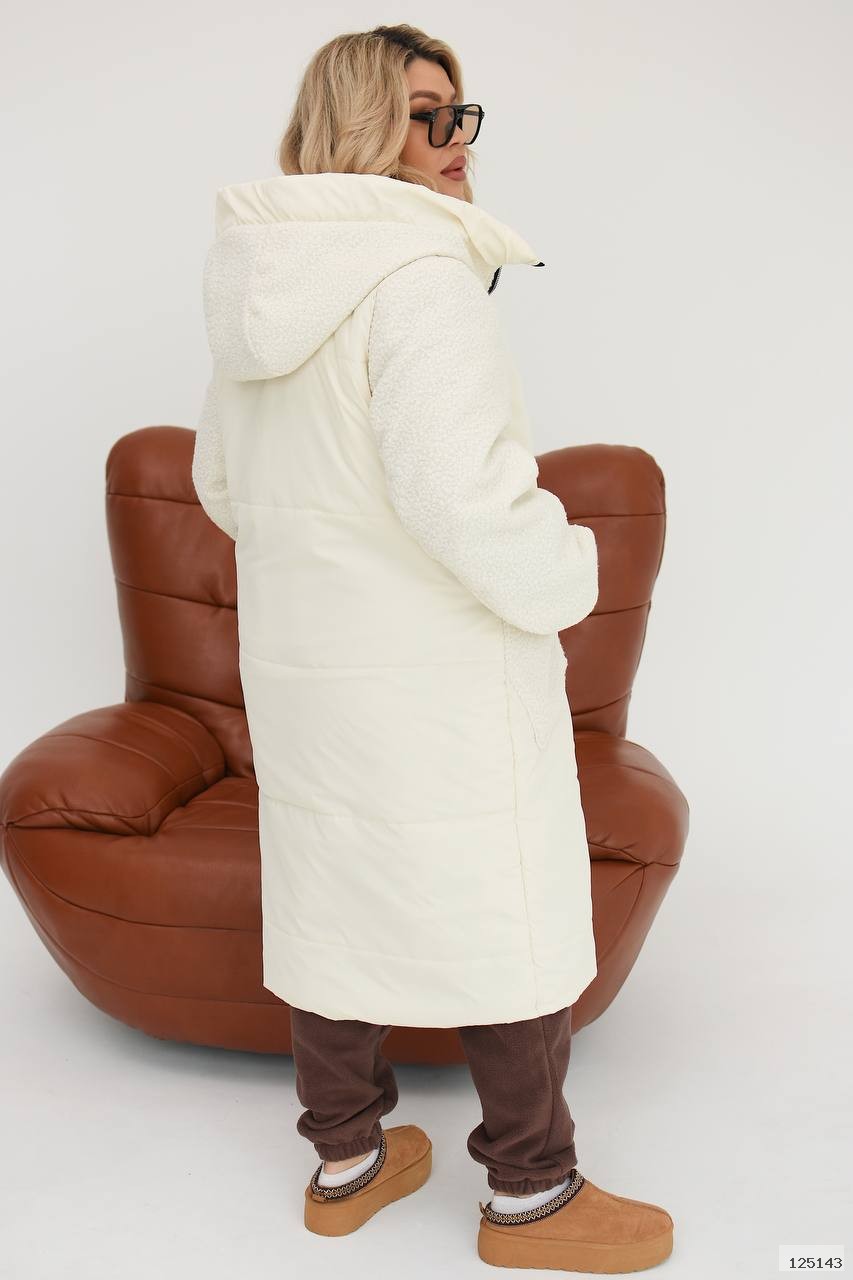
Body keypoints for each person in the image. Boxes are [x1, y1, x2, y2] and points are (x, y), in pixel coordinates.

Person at [192, 22, 673, 1273]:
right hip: (435, 671)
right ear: (359, 126)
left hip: (307, 672)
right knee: (501, 897)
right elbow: (463, 499)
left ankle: (346, 1161)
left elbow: (222, 484)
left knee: (332, 894)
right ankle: (532, 1192)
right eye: (425, 114)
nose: (457, 139)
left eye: (462, 113)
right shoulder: (418, 275)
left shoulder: (262, 285)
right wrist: (567, 571)